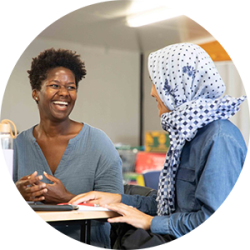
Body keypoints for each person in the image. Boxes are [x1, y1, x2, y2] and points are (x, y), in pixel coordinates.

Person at [69, 43, 248, 249]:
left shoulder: (218, 138)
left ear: (179, 86)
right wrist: (116, 199)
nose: (153, 91)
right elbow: (168, 206)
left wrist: (150, 222)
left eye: (158, 83)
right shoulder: (187, 134)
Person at [13, 48, 123, 249]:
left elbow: (117, 208)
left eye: (71, 87)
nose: (64, 93)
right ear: (36, 93)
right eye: (55, 85)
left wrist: (67, 198)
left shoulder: (98, 142)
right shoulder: (18, 145)